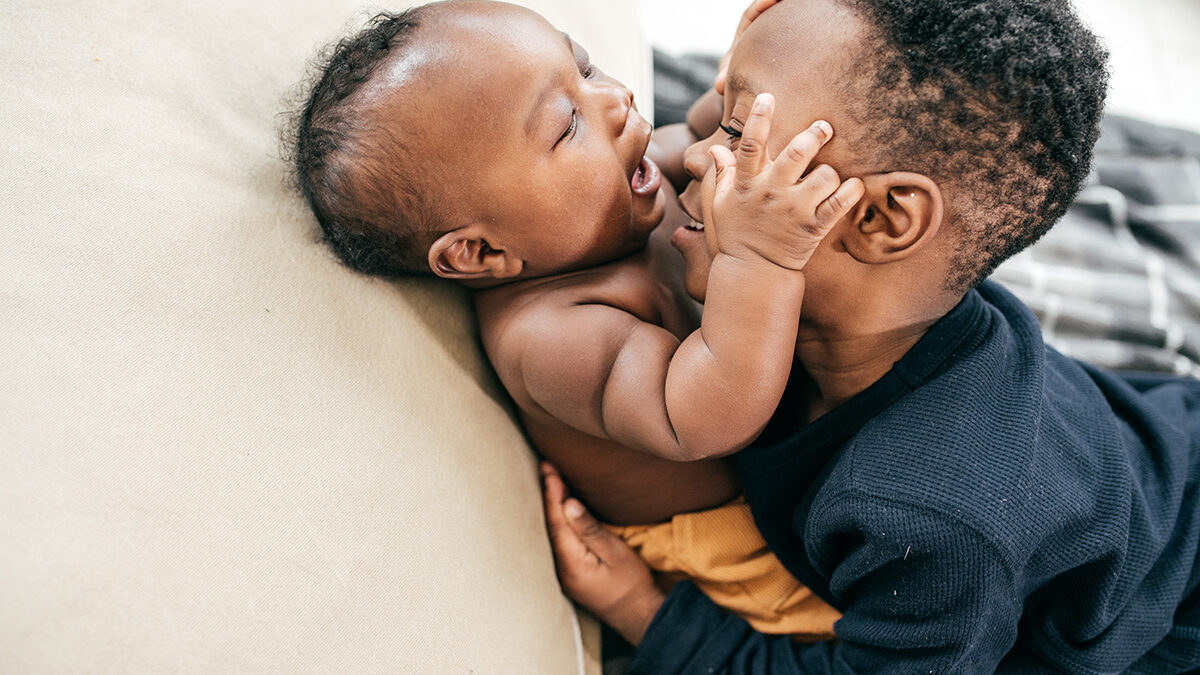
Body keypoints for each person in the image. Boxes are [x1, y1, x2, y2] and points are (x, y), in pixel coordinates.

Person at [544, 0, 1200, 672]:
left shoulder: (931, 521)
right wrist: (756, 58)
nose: (691, 154)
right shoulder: (854, 323)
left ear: (883, 219)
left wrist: (643, 612)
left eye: (737, 135)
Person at [288, 0, 852, 638]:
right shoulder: (550, 332)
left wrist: (752, 70)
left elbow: (709, 138)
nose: (617, 100)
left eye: (584, 67)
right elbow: (706, 415)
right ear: (482, 253)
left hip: (792, 472)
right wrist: (761, 260)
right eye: (566, 126)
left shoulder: (627, 186)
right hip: (727, 541)